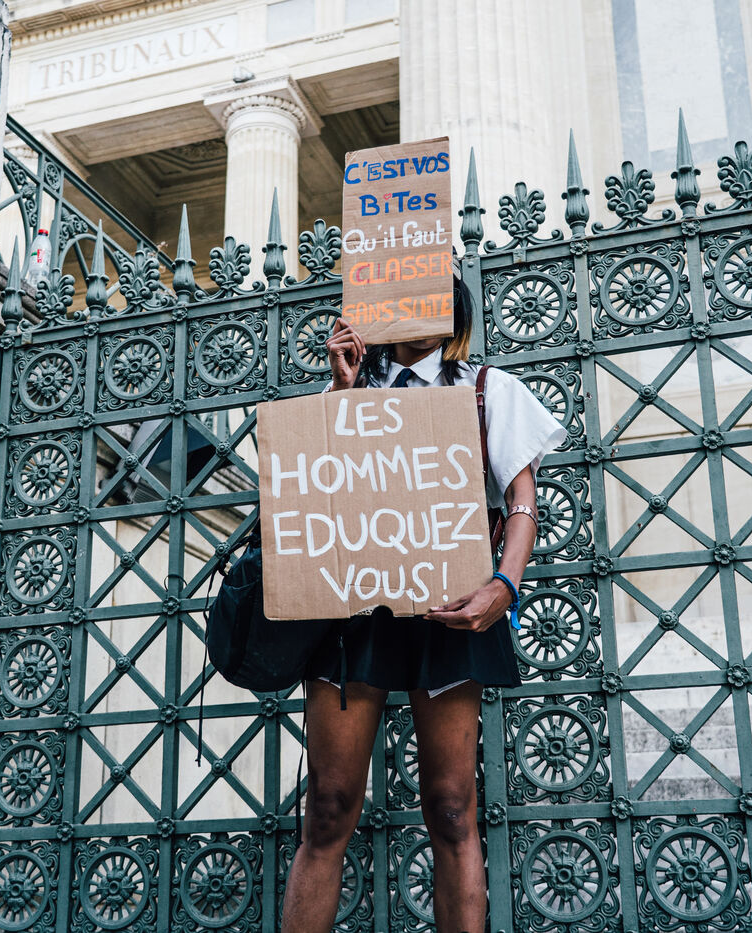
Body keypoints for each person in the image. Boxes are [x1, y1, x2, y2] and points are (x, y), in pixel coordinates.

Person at [278, 271, 565, 933]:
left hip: (451, 609)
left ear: (453, 314)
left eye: (430, 295)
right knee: (328, 806)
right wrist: (342, 391)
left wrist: (504, 586)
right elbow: (310, 491)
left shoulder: (487, 389)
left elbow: (522, 502)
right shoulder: (347, 389)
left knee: (452, 807)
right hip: (352, 615)